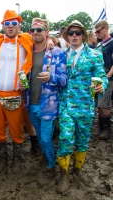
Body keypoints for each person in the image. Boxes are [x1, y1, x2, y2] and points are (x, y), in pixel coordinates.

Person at [55, 20, 108, 194]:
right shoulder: (61, 54)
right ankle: (64, 174)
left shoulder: (94, 55)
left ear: (83, 35)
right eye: (71, 33)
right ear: (67, 36)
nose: (74, 36)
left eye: (78, 33)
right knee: (65, 139)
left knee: (82, 141)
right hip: (66, 107)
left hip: (85, 106)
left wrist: (102, 86)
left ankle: (78, 170)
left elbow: (102, 76)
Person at [21, 18, 67, 176]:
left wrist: (51, 77)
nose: (35, 32)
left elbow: (64, 80)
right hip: (31, 103)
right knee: (40, 137)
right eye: (32, 30)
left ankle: (52, 165)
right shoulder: (27, 51)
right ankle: (49, 157)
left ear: (47, 32)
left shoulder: (57, 52)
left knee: (47, 139)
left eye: (39, 30)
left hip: (48, 105)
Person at [0, 10, 33, 174]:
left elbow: (40, 40)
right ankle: (3, 161)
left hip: (14, 95)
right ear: (2, 26)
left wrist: (50, 42)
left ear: (19, 26)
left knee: (16, 130)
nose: (10, 26)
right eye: (7, 23)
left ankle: (16, 160)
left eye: (14, 23)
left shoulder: (25, 41)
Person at [94, 20, 113, 140]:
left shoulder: (111, 43)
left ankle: (107, 129)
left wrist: (108, 76)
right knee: (98, 104)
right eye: (95, 31)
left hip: (107, 77)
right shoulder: (99, 44)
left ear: (105, 29)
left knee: (103, 104)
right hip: (97, 78)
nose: (96, 34)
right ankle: (102, 127)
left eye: (98, 31)